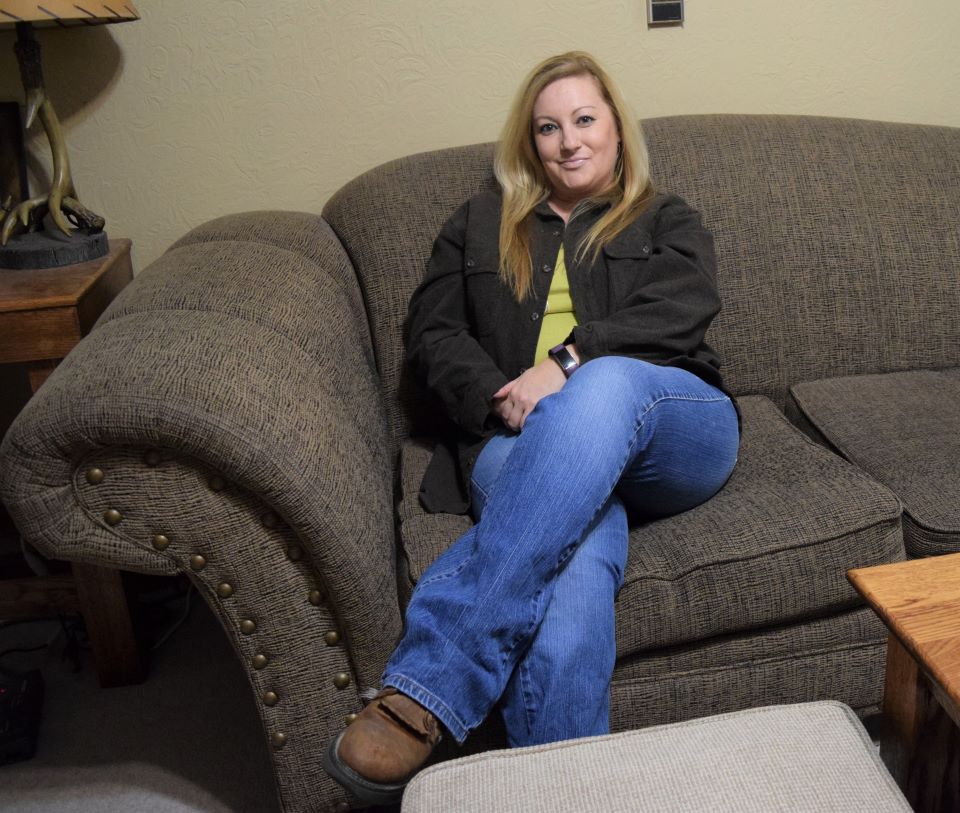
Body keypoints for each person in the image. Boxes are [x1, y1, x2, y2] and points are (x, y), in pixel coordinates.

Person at [324, 50, 740, 806]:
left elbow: (682, 307)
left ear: (617, 129)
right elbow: (432, 332)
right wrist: (498, 395)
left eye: (585, 120)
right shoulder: (477, 224)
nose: (569, 141)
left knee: (606, 380)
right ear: (529, 141)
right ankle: (562, 791)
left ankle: (429, 679)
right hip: (515, 438)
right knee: (575, 562)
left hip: (670, 426)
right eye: (548, 127)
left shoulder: (664, 215)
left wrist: (569, 363)